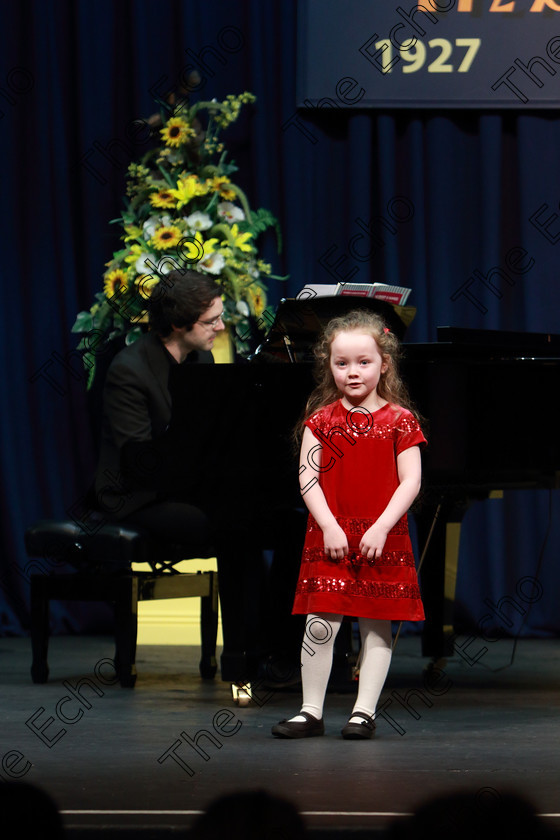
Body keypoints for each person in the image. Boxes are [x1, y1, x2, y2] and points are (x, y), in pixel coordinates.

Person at [92, 268, 265, 681]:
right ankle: (245, 656)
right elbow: (139, 462)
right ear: (177, 324)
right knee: (232, 526)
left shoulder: (200, 360)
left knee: (263, 521)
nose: (221, 328)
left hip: (181, 485)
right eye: (212, 321)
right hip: (135, 496)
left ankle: (268, 648)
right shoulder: (129, 370)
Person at [272, 309, 426, 739]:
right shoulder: (321, 421)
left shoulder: (400, 420)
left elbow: (411, 480)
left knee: (376, 622)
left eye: (364, 362)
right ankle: (310, 710)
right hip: (332, 534)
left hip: (382, 535)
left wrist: (379, 527)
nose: (352, 372)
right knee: (320, 622)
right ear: (329, 366)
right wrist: (328, 526)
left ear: (384, 363)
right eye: (342, 363)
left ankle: (363, 712)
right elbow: (308, 480)